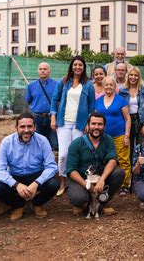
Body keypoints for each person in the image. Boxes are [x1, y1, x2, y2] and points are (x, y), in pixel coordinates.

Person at [0, 113, 59, 221]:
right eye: (22, 126)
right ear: (16, 128)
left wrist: (37, 183)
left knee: (54, 184)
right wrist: (16, 184)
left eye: (29, 126)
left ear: (34, 127)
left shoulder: (43, 141)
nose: (26, 130)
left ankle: (37, 203)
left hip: (36, 174)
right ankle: (19, 205)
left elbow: (51, 166)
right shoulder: (6, 142)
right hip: (15, 175)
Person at [51, 55, 95, 196]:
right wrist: (53, 117)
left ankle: (74, 181)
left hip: (79, 124)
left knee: (75, 152)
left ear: (84, 67)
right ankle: (62, 181)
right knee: (63, 154)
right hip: (63, 122)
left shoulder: (88, 84)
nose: (77, 67)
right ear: (71, 66)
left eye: (80, 65)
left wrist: (88, 122)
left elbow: (91, 105)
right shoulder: (64, 81)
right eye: (75, 65)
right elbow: (55, 99)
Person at [66, 113, 125, 216]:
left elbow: (113, 160)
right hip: (81, 179)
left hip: (99, 177)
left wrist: (102, 179)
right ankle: (83, 203)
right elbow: (71, 170)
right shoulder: (76, 143)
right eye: (93, 124)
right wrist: (87, 186)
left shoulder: (108, 140)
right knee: (78, 198)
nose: (96, 127)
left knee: (119, 172)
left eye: (100, 124)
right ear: (88, 125)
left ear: (104, 126)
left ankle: (103, 201)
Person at [95, 76, 132, 196]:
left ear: (115, 87)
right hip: (103, 137)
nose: (108, 87)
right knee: (105, 160)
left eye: (111, 85)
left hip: (119, 135)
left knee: (123, 160)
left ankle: (125, 185)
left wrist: (126, 135)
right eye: (106, 85)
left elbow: (127, 119)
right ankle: (106, 181)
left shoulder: (121, 100)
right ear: (103, 86)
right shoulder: (99, 101)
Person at [119, 66, 144, 161]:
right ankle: (130, 170)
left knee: (141, 146)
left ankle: (141, 169)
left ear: (139, 77)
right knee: (128, 146)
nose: (133, 77)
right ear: (128, 76)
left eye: (136, 75)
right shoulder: (122, 90)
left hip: (140, 120)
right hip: (127, 120)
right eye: (131, 75)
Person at [25, 62, 59, 151]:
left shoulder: (56, 85)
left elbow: (59, 101)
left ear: (49, 71)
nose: (42, 71)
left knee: (54, 144)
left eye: (45, 69)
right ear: (38, 71)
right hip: (37, 118)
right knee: (37, 144)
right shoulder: (31, 86)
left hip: (51, 118)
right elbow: (28, 101)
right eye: (40, 69)